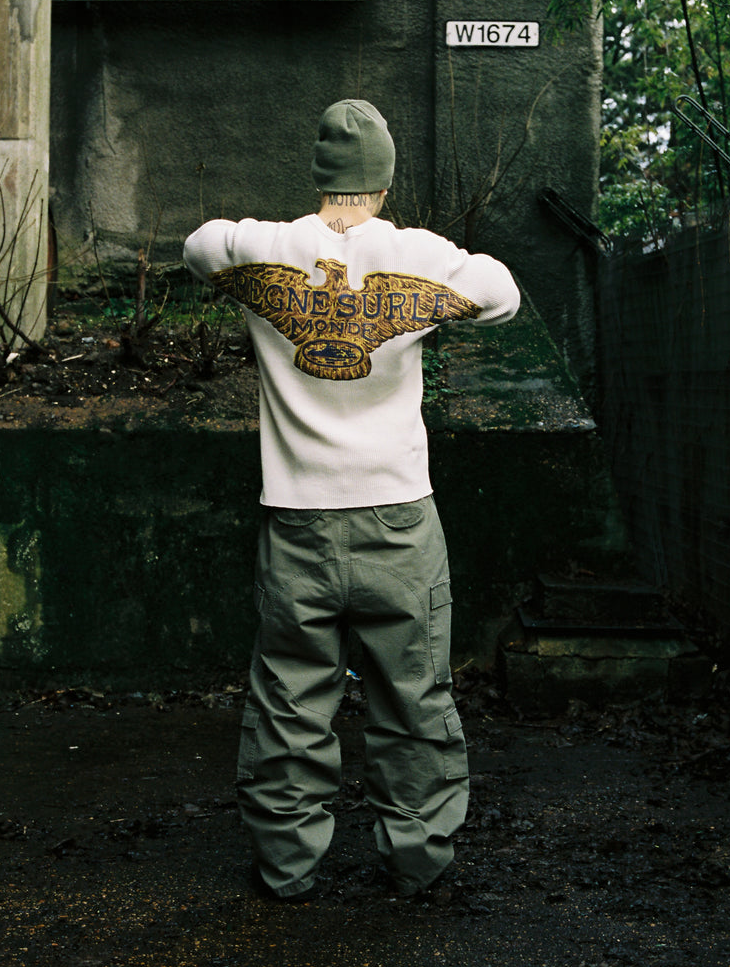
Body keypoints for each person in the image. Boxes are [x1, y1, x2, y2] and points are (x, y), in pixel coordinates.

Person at [183, 99, 520, 901]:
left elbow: (199, 245)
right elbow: (501, 292)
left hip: (297, 521)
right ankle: (418, 861)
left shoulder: (265, 250)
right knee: (413, 695)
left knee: (291, 697)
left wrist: (293, 251)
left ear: (320, 172)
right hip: (399, 521)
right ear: (385, 178)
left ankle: (287, 865)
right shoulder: (416, 257)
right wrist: (418, 293)